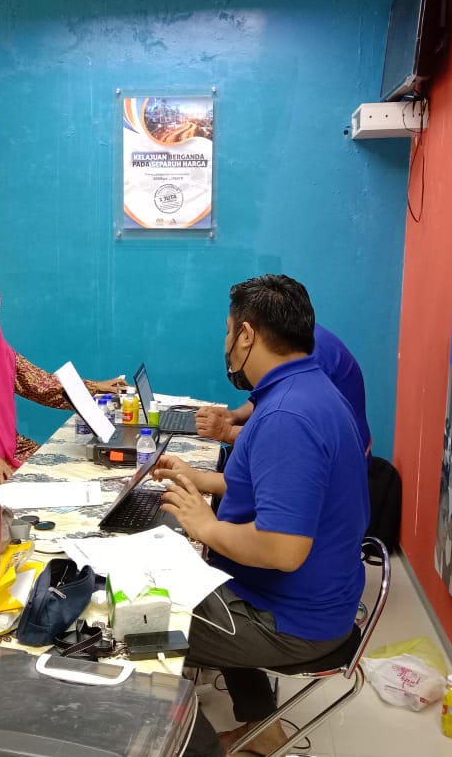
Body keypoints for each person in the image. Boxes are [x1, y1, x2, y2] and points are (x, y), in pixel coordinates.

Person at [151, 275, 369, 756]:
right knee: (177, 568)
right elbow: (280, 488)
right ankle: (262, 729)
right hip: (313, 602)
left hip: (288, 622)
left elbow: (282, 549)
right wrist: (201, 480)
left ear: (247, 335)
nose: (227, 342)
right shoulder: (308, 389)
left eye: (228, 331)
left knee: (130, 621)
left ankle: (199, 749)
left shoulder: (287, 416)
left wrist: (207, 526)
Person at [0, 274, 126, 482]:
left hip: (6, 443)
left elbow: (41, 385)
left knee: (52, 471)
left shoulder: (1, 351)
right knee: (0, 486)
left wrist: (94, 387)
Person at [194, 322, 371, 455]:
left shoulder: (308, 357)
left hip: (332, 462)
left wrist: (227, 432)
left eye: (230, 331)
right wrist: (235, 416)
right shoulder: (290, 338)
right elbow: (270, 393)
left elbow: (285, 435)